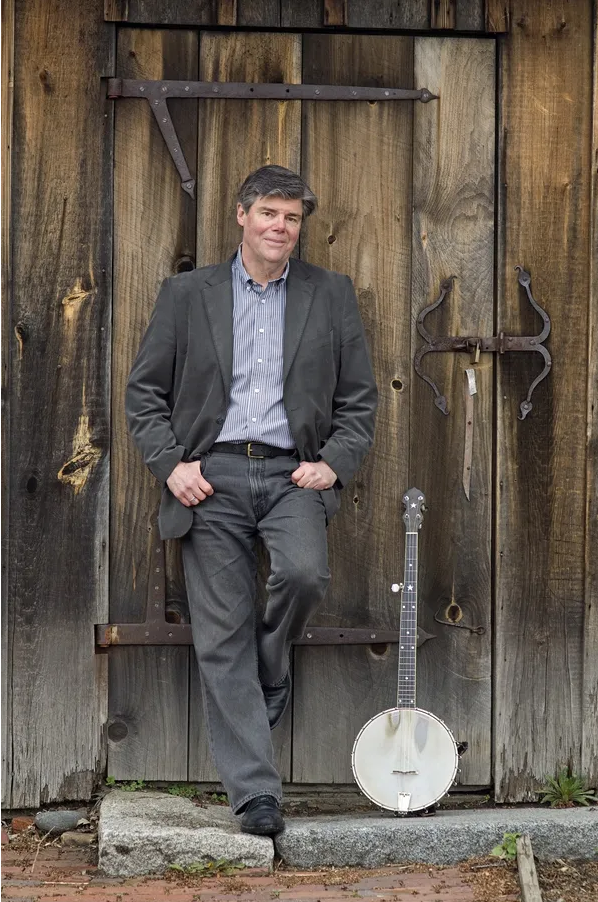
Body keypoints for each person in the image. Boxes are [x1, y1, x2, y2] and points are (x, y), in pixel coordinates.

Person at [126, 164, 378, 836]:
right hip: (210, 480)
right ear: (242, 215)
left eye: (292, 218)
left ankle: (271, 670)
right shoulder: (188, 294)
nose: (280, 227)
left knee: (303, 574)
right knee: (219, 635)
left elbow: (359, 399)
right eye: (269, 213)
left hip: (290, 474)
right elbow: (144, 393)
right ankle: (255, 796)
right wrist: (170, 465)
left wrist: (334, 464)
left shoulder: (331, 294)